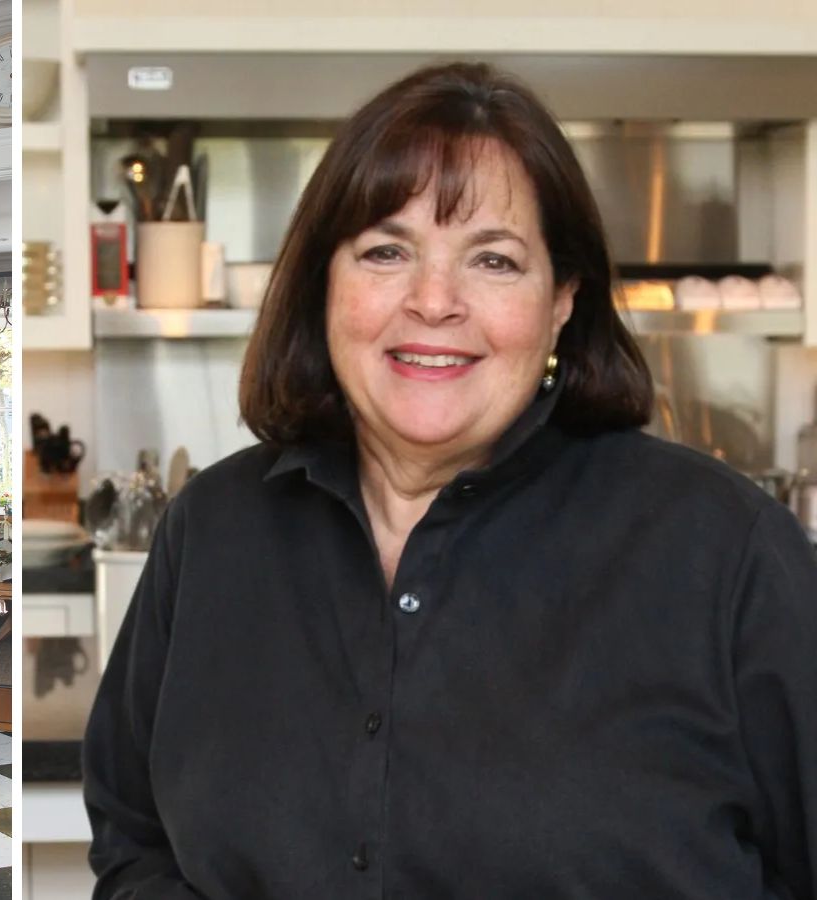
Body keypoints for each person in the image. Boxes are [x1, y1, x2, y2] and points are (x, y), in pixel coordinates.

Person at [82, 61, 817, 899]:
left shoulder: (726, 552)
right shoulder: (212, 528)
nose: (434, 302)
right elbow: (134, 838)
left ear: (564, 298)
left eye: (494, 261)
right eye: (387, 251)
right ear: (325, 282)